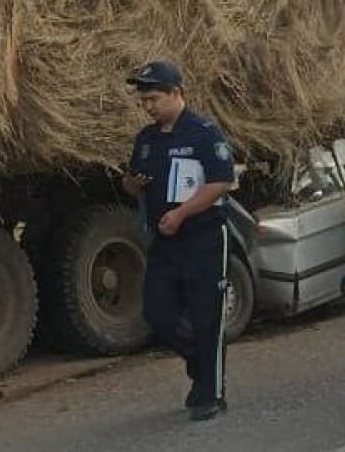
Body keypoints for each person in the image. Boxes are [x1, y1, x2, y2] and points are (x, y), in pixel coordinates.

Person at [121, 60, 235, 421]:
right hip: (165, 242)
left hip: (202, 238)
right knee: (159, 314)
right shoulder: (146, 139)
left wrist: (182, 213)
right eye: (144, 101)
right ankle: (200, 366)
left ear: (176, 93)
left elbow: (221, 181)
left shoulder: (203, 133)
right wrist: (132, 184)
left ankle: (212, 395)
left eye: (154, 98)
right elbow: (129, 180)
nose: (149, 106)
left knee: (206, 318)